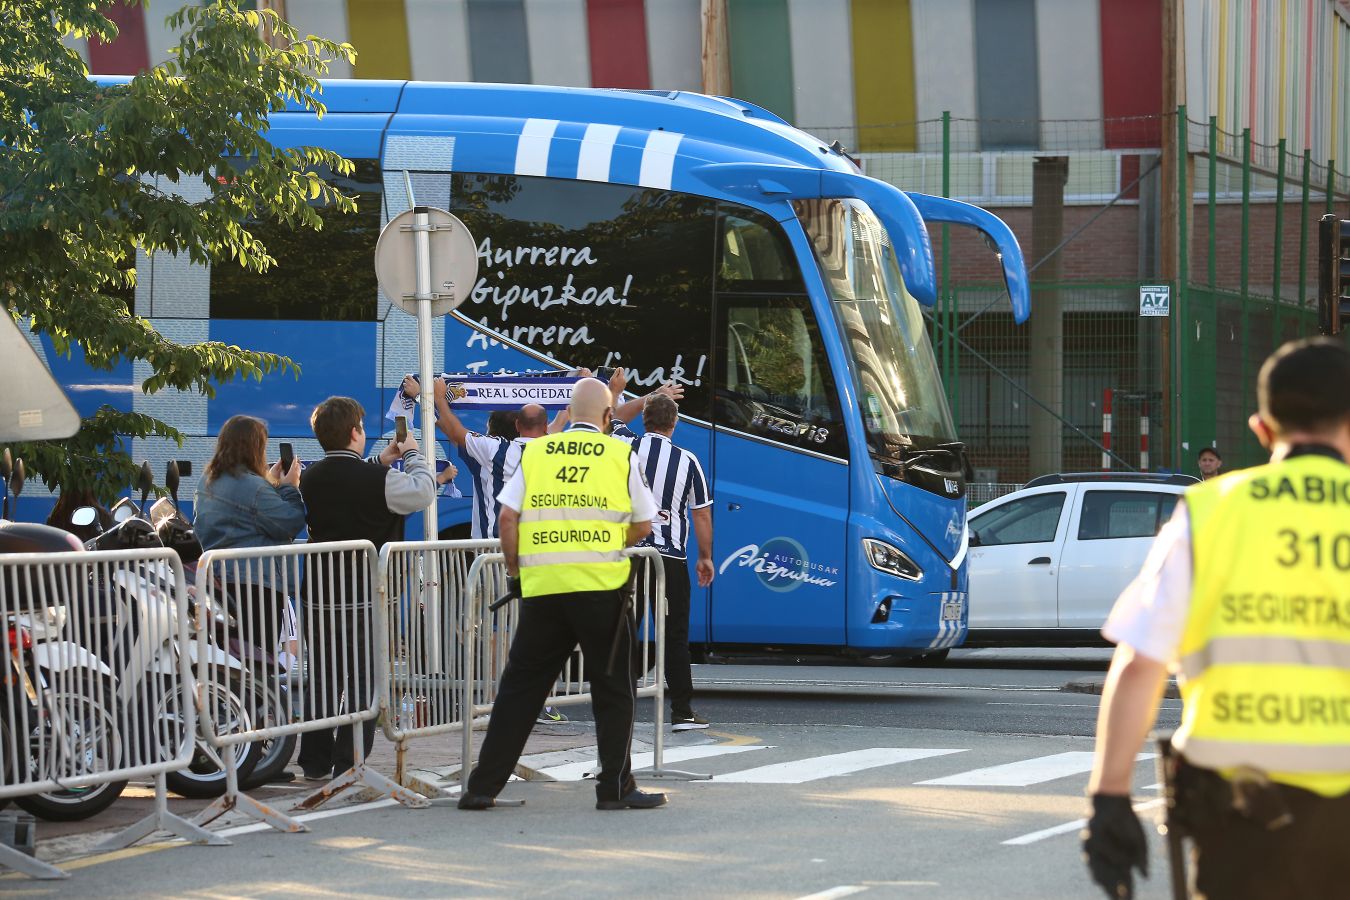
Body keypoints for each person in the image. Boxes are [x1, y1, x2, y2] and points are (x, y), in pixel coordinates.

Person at [1082, 337, 1350, 900]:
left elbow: (1140, 664)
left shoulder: (1211, 511)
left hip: (1243, 824)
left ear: (1262, 429)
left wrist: (1108, 796)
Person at [458, 377, 666, 811]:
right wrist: (605, 542)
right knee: (614, 690)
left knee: (520, 689)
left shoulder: (536, 453)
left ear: (568, 414)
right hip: (601, 591)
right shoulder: (619, 452)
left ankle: (482, 788)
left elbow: (508, 520)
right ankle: (614, 788)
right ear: (609, 418)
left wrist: (516, 573)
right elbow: (644, 524)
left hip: (543, 590)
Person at [402, 374, 570, 725]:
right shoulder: (551, 447)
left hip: (497, 553)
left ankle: (500, 698)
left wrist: (431, 397)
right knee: (545, 626)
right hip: (545, 551)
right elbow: (558, 421)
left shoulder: (492, 450)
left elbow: (452, 429)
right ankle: (544, 700)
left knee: (499, 628)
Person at [296, 396, 437, 781]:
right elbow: (423, 491)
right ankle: (350, 759)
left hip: (321, 593)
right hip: (367, 594)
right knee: (365, 677)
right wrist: (411, 455)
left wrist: (380, 460)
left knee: (323, 675)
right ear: (356, 432)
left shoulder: (310, 477)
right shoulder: (379, 480)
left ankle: (313, 760)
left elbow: (348, 485)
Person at [610, 385, 715, 731]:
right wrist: (705, 557)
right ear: (675, 424)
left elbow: (611, 418)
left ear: (645, 420)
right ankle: (682, 710)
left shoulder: (625, 445)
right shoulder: (689, 461)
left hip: (629, 555)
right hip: (669, 558)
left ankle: (618, 704)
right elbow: (700, 514)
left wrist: (615, 391)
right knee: (674, 633)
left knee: (623, 629)